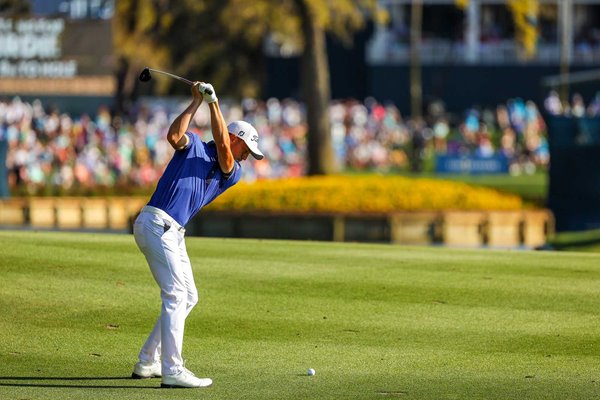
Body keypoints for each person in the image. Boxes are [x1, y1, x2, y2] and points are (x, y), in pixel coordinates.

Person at [130, 81, 263, 388]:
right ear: (234, 138)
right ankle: (173, 369)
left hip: (173, 232)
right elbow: (174, 136)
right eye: (247, 148)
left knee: (189, 296)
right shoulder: (193, 144)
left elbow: (226, 151)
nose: (246, 157)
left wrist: (214, 102)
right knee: (176, 295)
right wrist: (196, 103)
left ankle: (148, 360)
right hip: (156, 223)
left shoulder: (232, 170)